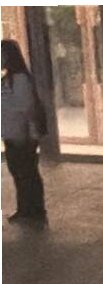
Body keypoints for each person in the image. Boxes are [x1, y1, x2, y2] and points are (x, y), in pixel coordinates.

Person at [2, 37, 48, 225]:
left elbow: (27, 108)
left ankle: (34, 209)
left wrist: (28, 132)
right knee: (19, 173)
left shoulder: (20, 80)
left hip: (21, 134)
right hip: (11, 133)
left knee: (26, 172)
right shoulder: (7, 80)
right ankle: (25, 208)